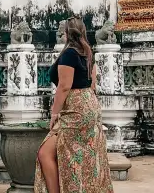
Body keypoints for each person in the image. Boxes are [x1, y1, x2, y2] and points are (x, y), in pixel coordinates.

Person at [34, 17, 114, 193]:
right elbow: (93, 84)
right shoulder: (87, 52)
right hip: (89, 104)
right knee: (83, 157)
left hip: (75, 108)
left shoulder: (70, 53)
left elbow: (64, 87)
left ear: (67, 34)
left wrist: (54, 114)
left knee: (45, 153)